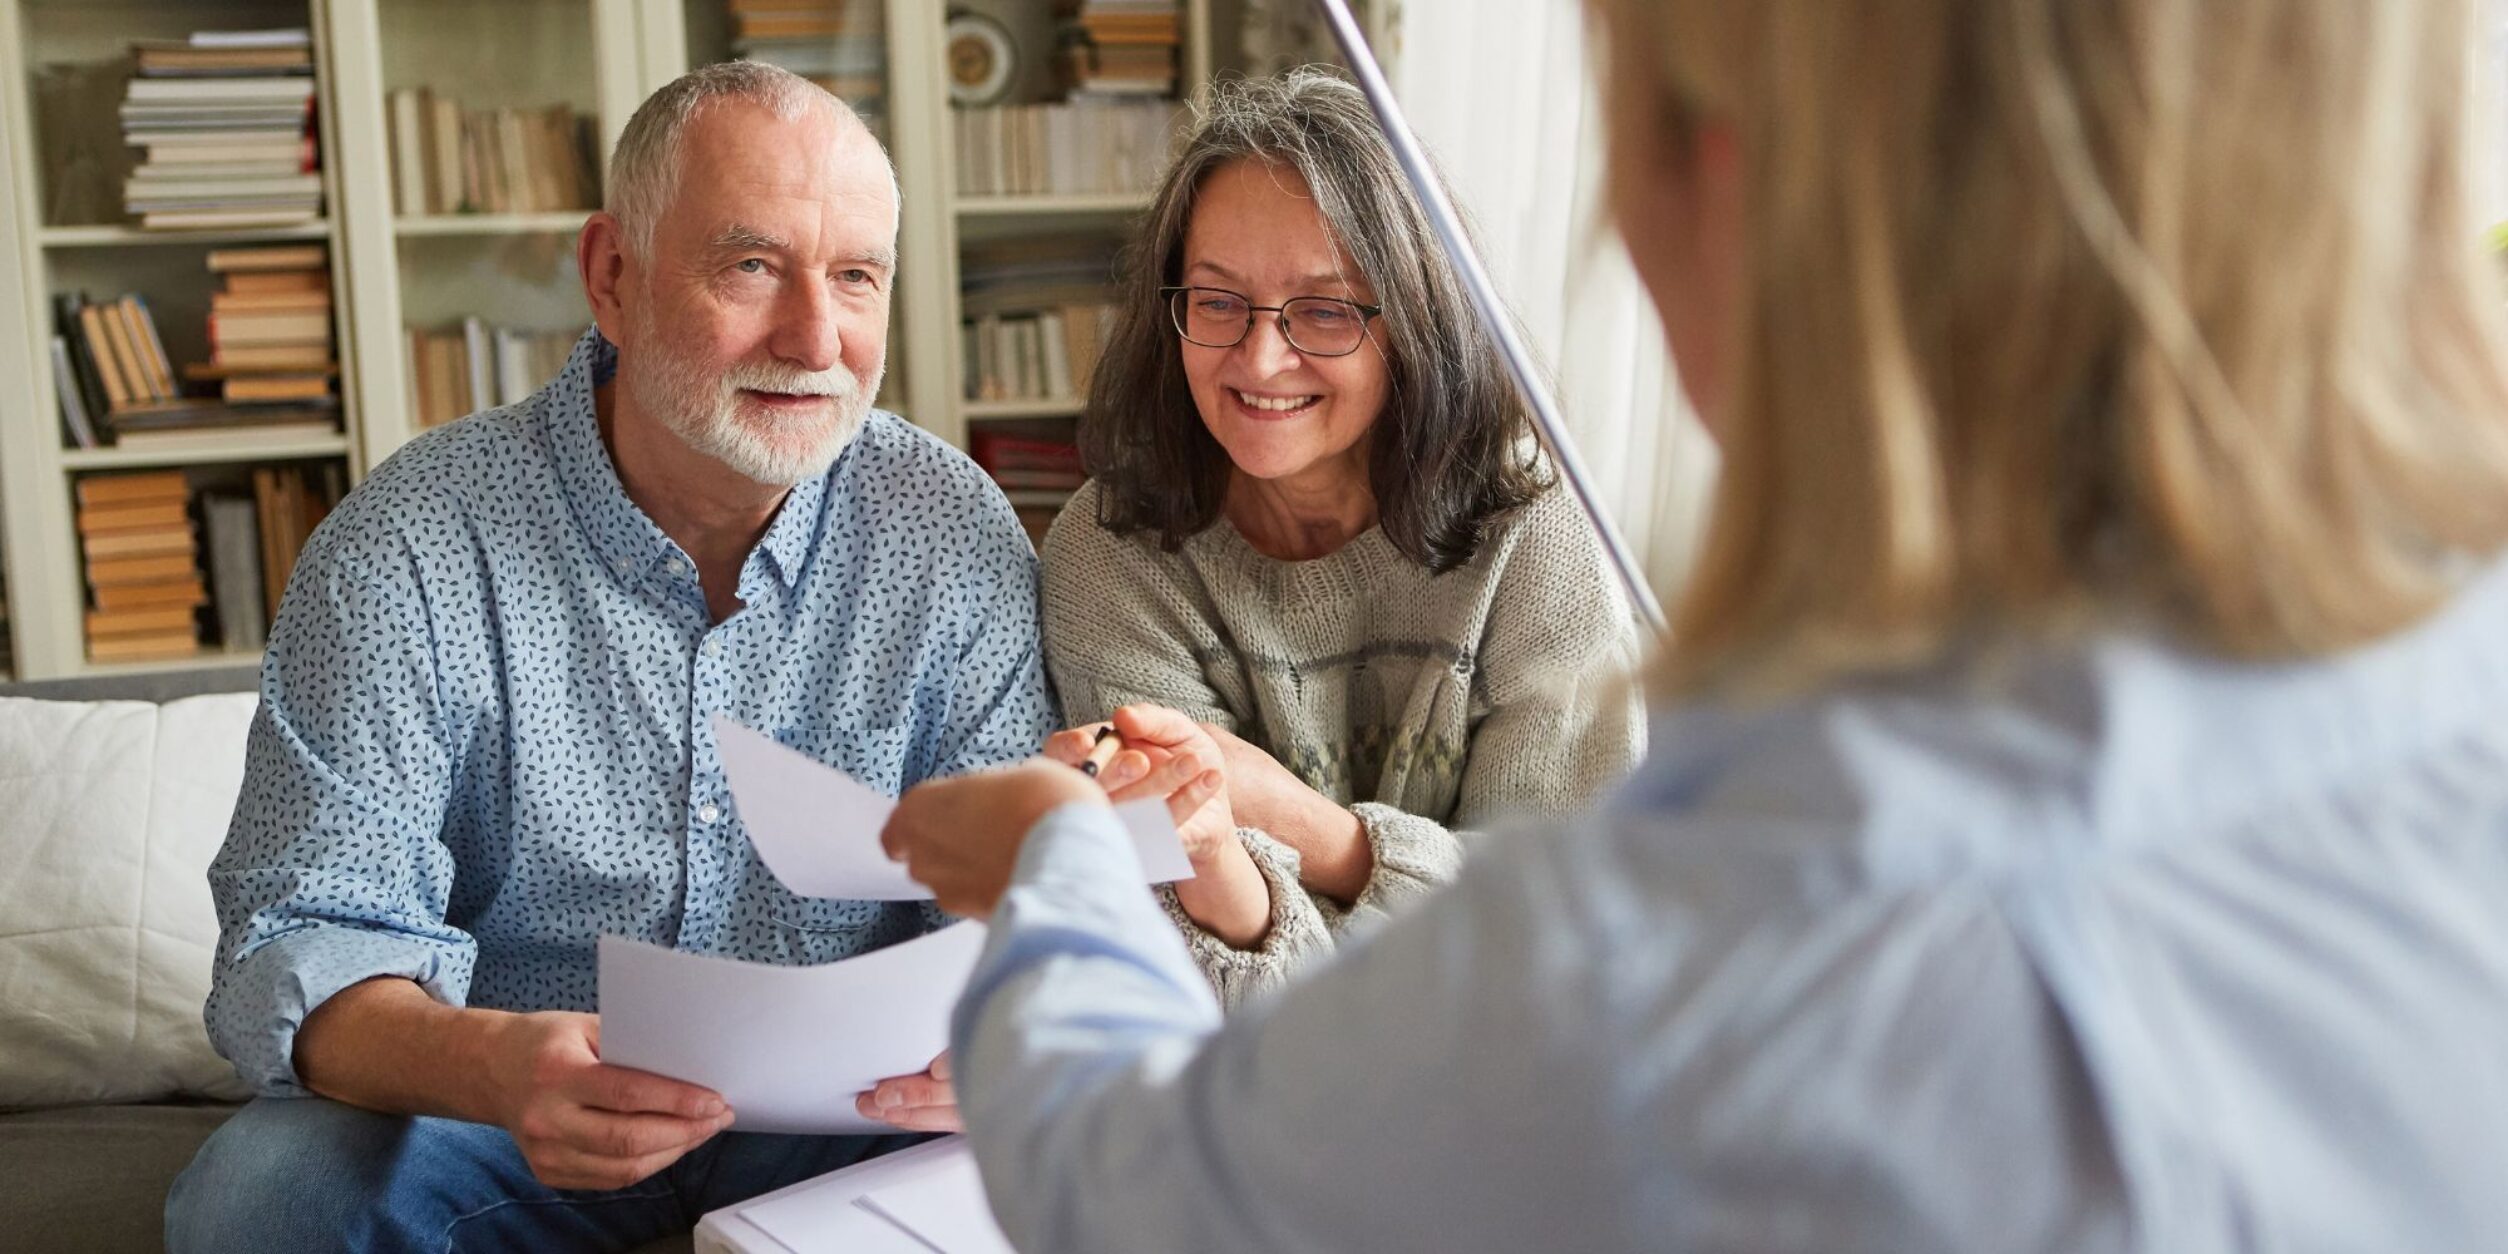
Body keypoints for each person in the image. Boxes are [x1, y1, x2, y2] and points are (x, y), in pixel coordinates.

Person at [883, 1, 2508, 1250]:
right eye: (1217, 302)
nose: (1257, 357)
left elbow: (1137, 1186)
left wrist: (1058, 864)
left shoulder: (1696, 942)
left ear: (1729, 178)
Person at [165, 63, 1048, 1252]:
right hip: (508, 1106)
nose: (814, 336)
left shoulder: (951, 528)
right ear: (612, 278)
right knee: (259, 1203)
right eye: (750, 266)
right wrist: (487, 1064)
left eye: (855, 277)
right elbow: (302, 933)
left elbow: (1020, 884)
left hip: (859, 1110)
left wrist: (999, 1015)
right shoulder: (406, 545)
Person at [1039, 71, 1647, 1005]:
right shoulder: (1111, 550)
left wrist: (1308, 828)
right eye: (1216, 301)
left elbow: (1572, 930)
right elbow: (1202, 987)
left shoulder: (1530, 530)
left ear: (1412, 322)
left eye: (1324, 310)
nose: (1260, 357)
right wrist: (1211, 849)